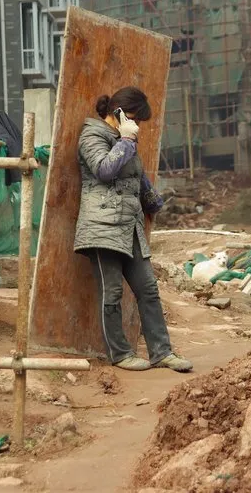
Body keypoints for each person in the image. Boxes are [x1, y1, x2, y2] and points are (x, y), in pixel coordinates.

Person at [74, 86, 193, 373]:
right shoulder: (92, 135)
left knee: (148, 289)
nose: (137, 125)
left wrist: (152, 200)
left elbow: (134, 175)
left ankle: (162, 352)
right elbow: (104, 169)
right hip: (101, 227)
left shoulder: (123, 139)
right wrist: (126, 140)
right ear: (116, 111)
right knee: (112, 292)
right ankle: (120, 354)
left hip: (130, 226)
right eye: (133, 118)